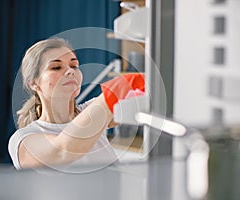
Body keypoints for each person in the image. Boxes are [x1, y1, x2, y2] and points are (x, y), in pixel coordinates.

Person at [8, 37, 145, 169]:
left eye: (74, 65)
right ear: (34, 83)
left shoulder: (90, 112)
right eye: (56, 67)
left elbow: (146, 100)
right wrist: (113, 93)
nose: (70, 71)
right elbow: (63, 151)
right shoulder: (22, 140)